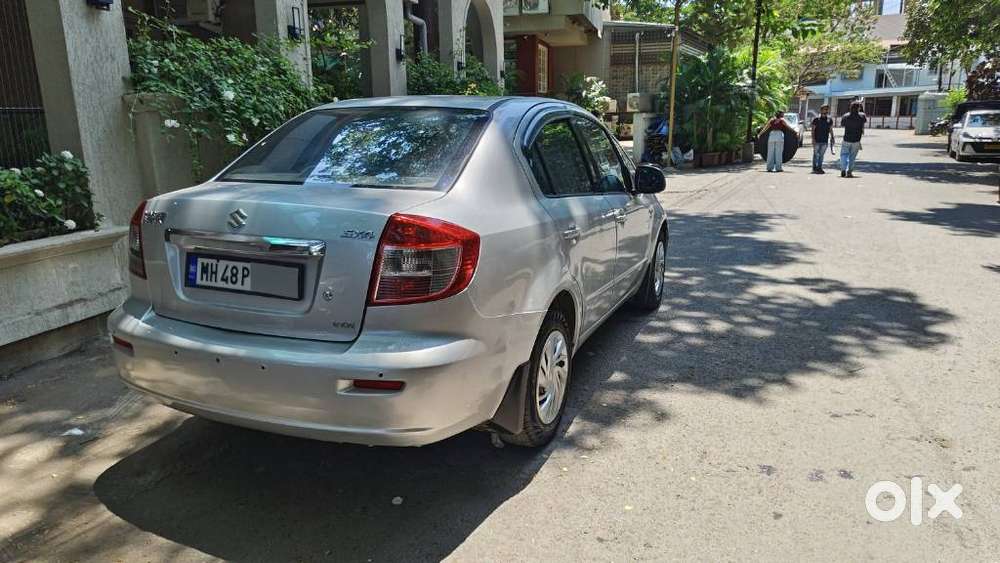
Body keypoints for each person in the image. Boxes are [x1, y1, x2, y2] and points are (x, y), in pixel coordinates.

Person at [840, 101, 866, 178]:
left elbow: (842, 124)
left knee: (843, 155)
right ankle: (849, 171)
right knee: (852, 157)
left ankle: (843, 169)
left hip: (846, 139)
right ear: (859, 108)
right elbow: (863, 123)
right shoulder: (862, 116)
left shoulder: (846, 116)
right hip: (856, 140)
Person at [810, 105, 835, 174]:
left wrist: (832, 137)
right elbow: (812, 130)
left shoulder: (829, 119)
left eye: (827, 109)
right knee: (815, 154)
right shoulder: (816, 119)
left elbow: (830, 129)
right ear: (821, 110)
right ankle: (814, 168)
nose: (826, 111)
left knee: (821, 155)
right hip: (817, 140)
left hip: (825, 141)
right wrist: (813, 139)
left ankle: (819, 168)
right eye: (825, 109)